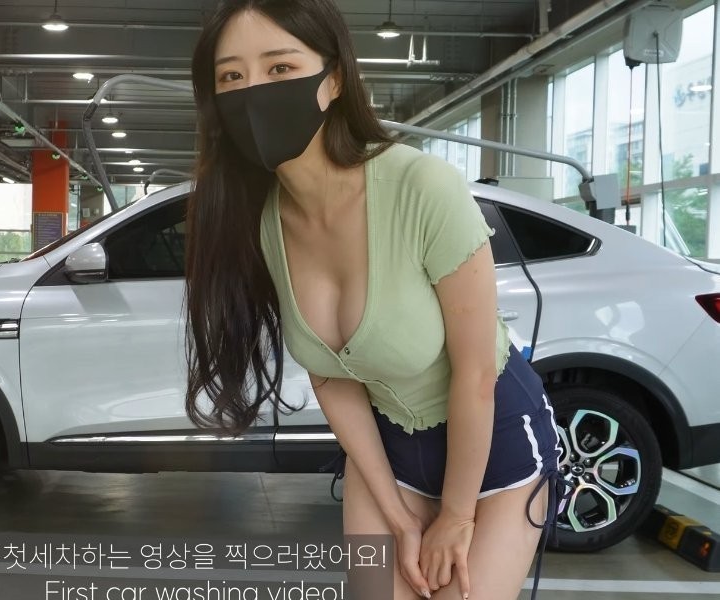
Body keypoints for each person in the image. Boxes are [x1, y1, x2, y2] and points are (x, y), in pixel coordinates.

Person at [183, 1, 572, 600]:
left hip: (495, 444)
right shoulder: (264, 223)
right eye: (231, 76)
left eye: (280, 68)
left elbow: (474, 375)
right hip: (387, 452)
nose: (254, 91)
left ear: (334, 79)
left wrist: (456, 518)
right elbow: (331, 378)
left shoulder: (422, 187)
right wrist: (396, 513)